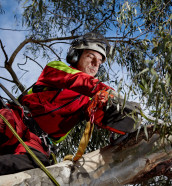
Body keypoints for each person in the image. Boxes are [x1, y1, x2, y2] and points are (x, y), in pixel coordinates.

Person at [0, 32, 113, 175]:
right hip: (16, 120)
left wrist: (124, 115)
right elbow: (76, 80)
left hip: (38, 142)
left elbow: (105, 116)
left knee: (36, 165)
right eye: (91, 56)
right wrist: (109, 93)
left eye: (100, 61)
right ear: (76, 56)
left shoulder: (90, 102)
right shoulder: (56, 69)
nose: (95, 64)